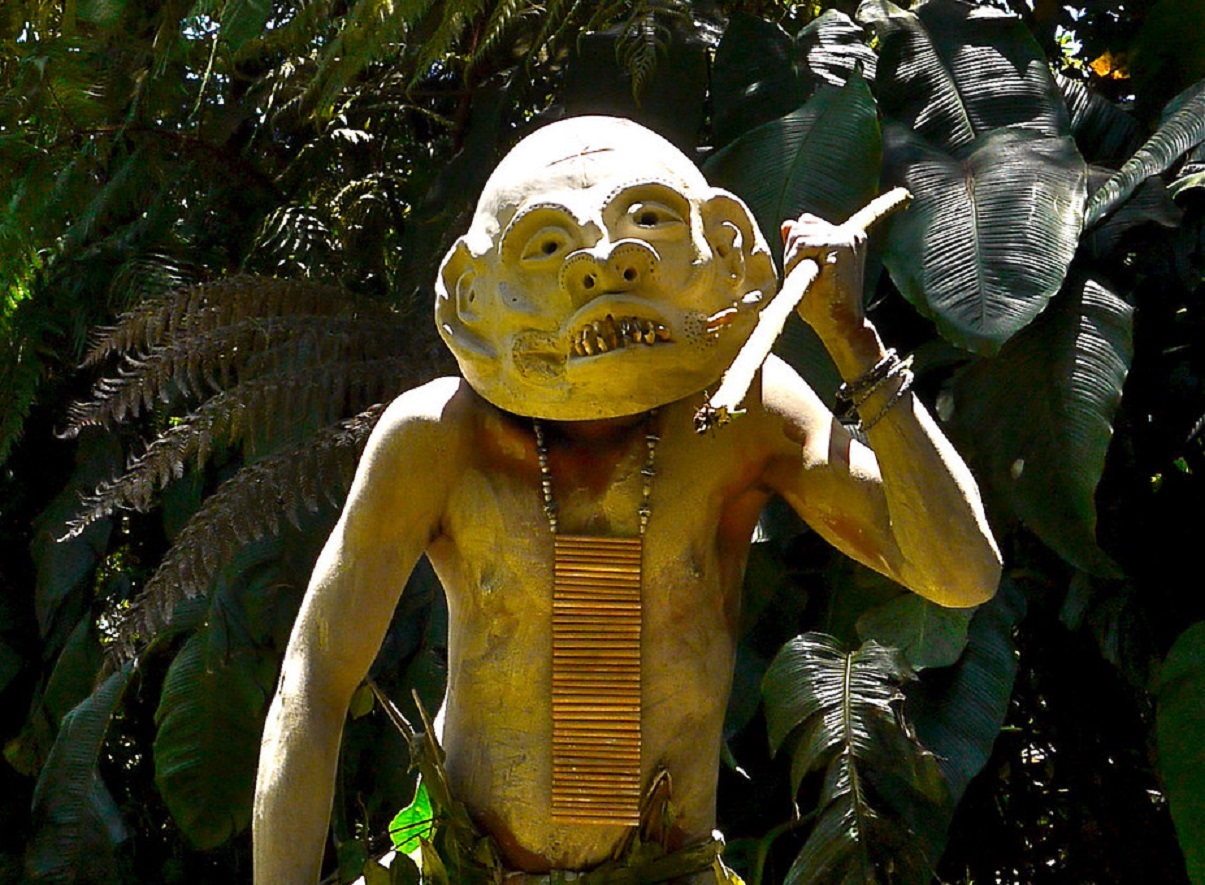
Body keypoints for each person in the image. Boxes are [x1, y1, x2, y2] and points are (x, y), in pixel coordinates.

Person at [252, 116, 1001, 883]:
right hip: (457, 863)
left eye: (647, 219)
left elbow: (960, 572)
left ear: (724, 240)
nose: (606, 262)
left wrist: (852, 339)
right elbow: (312, 683)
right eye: (547, 246)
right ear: (472, 292)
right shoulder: (438, 438)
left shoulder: (744, 415)